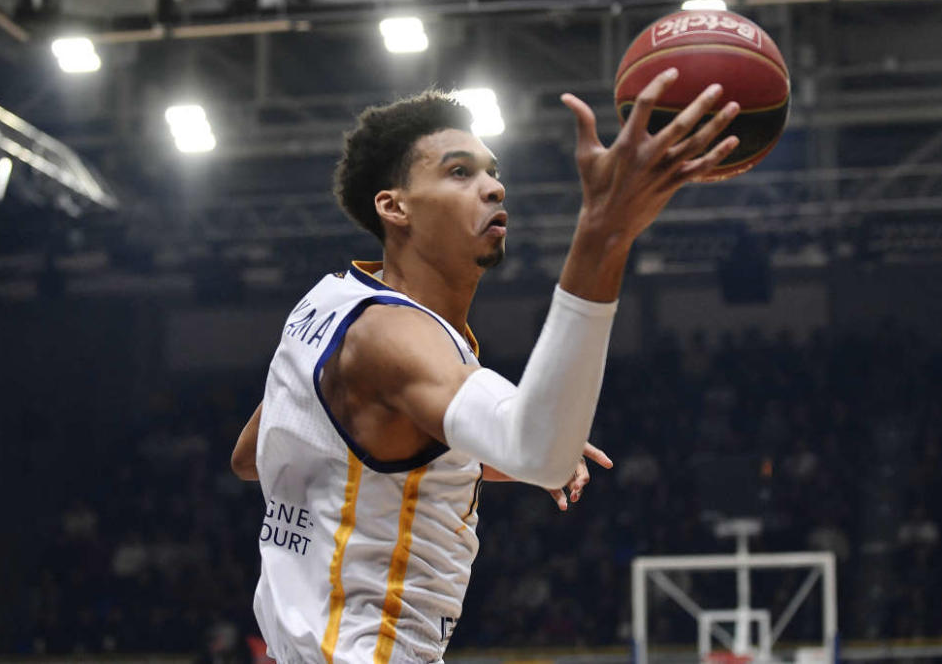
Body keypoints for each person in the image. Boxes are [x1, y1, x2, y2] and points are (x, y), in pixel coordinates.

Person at [230, 69, 740, 662]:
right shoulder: (395, 338)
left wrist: (480, 456)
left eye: (493, 172)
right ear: (394, 207)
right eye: (459, 172)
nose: (494, 188)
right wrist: (605, 232)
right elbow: (538, 447)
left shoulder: (331, 305)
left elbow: (254, 456)